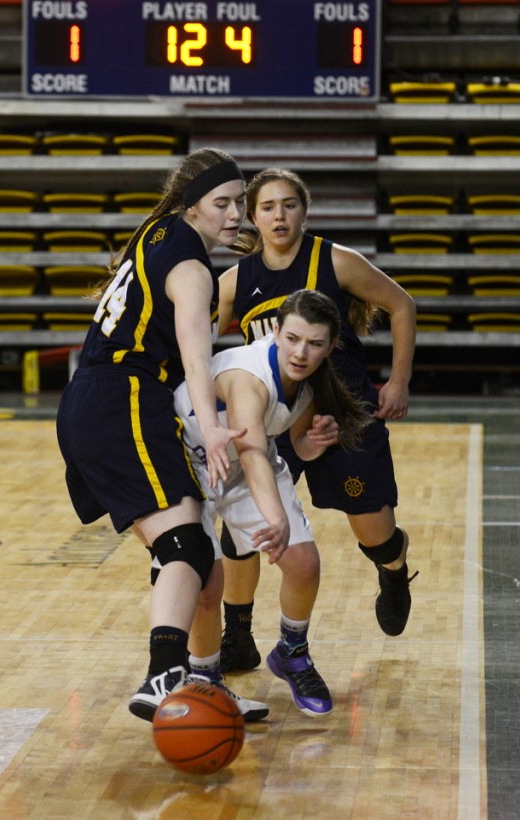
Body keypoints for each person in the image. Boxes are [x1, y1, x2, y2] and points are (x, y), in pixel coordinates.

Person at [54, 147, 260, 723]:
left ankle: (203, 682)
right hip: (122, 400)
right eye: (222, 203)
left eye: (240, 201)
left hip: (94, 399)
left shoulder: (156, 231)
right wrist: (214, 429)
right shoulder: (192, 267)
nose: (235, 214)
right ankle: (162, 675)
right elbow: (198, 354)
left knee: (205, 568)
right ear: (193, 206)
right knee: (187, 546)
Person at [216, 167, 418, 675]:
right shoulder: (234, 282)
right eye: (267, 207)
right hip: (277, 418)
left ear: (304, 210)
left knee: (373, 531)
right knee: (242, 528)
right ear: (252, 216)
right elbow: (194, 338)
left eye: (288, 205)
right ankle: (237, 634)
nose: (279, 215)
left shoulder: (337, 261)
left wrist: (397, 382)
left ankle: (393, 568)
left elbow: (401, 304)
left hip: (342, 412)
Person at [175, 289, 372, 716]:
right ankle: (204, 678)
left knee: (304, 564)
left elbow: (296, 447)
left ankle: (292, 652)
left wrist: (315, 442)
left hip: (247, 462)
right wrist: (276, 518)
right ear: (276, 332)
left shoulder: (311, 380)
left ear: (330, 347)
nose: (302, 352)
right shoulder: (250, 374)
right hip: (189, 462)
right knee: (206, 583)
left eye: (315, 344)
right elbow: (249, 451)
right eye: (294, 339)